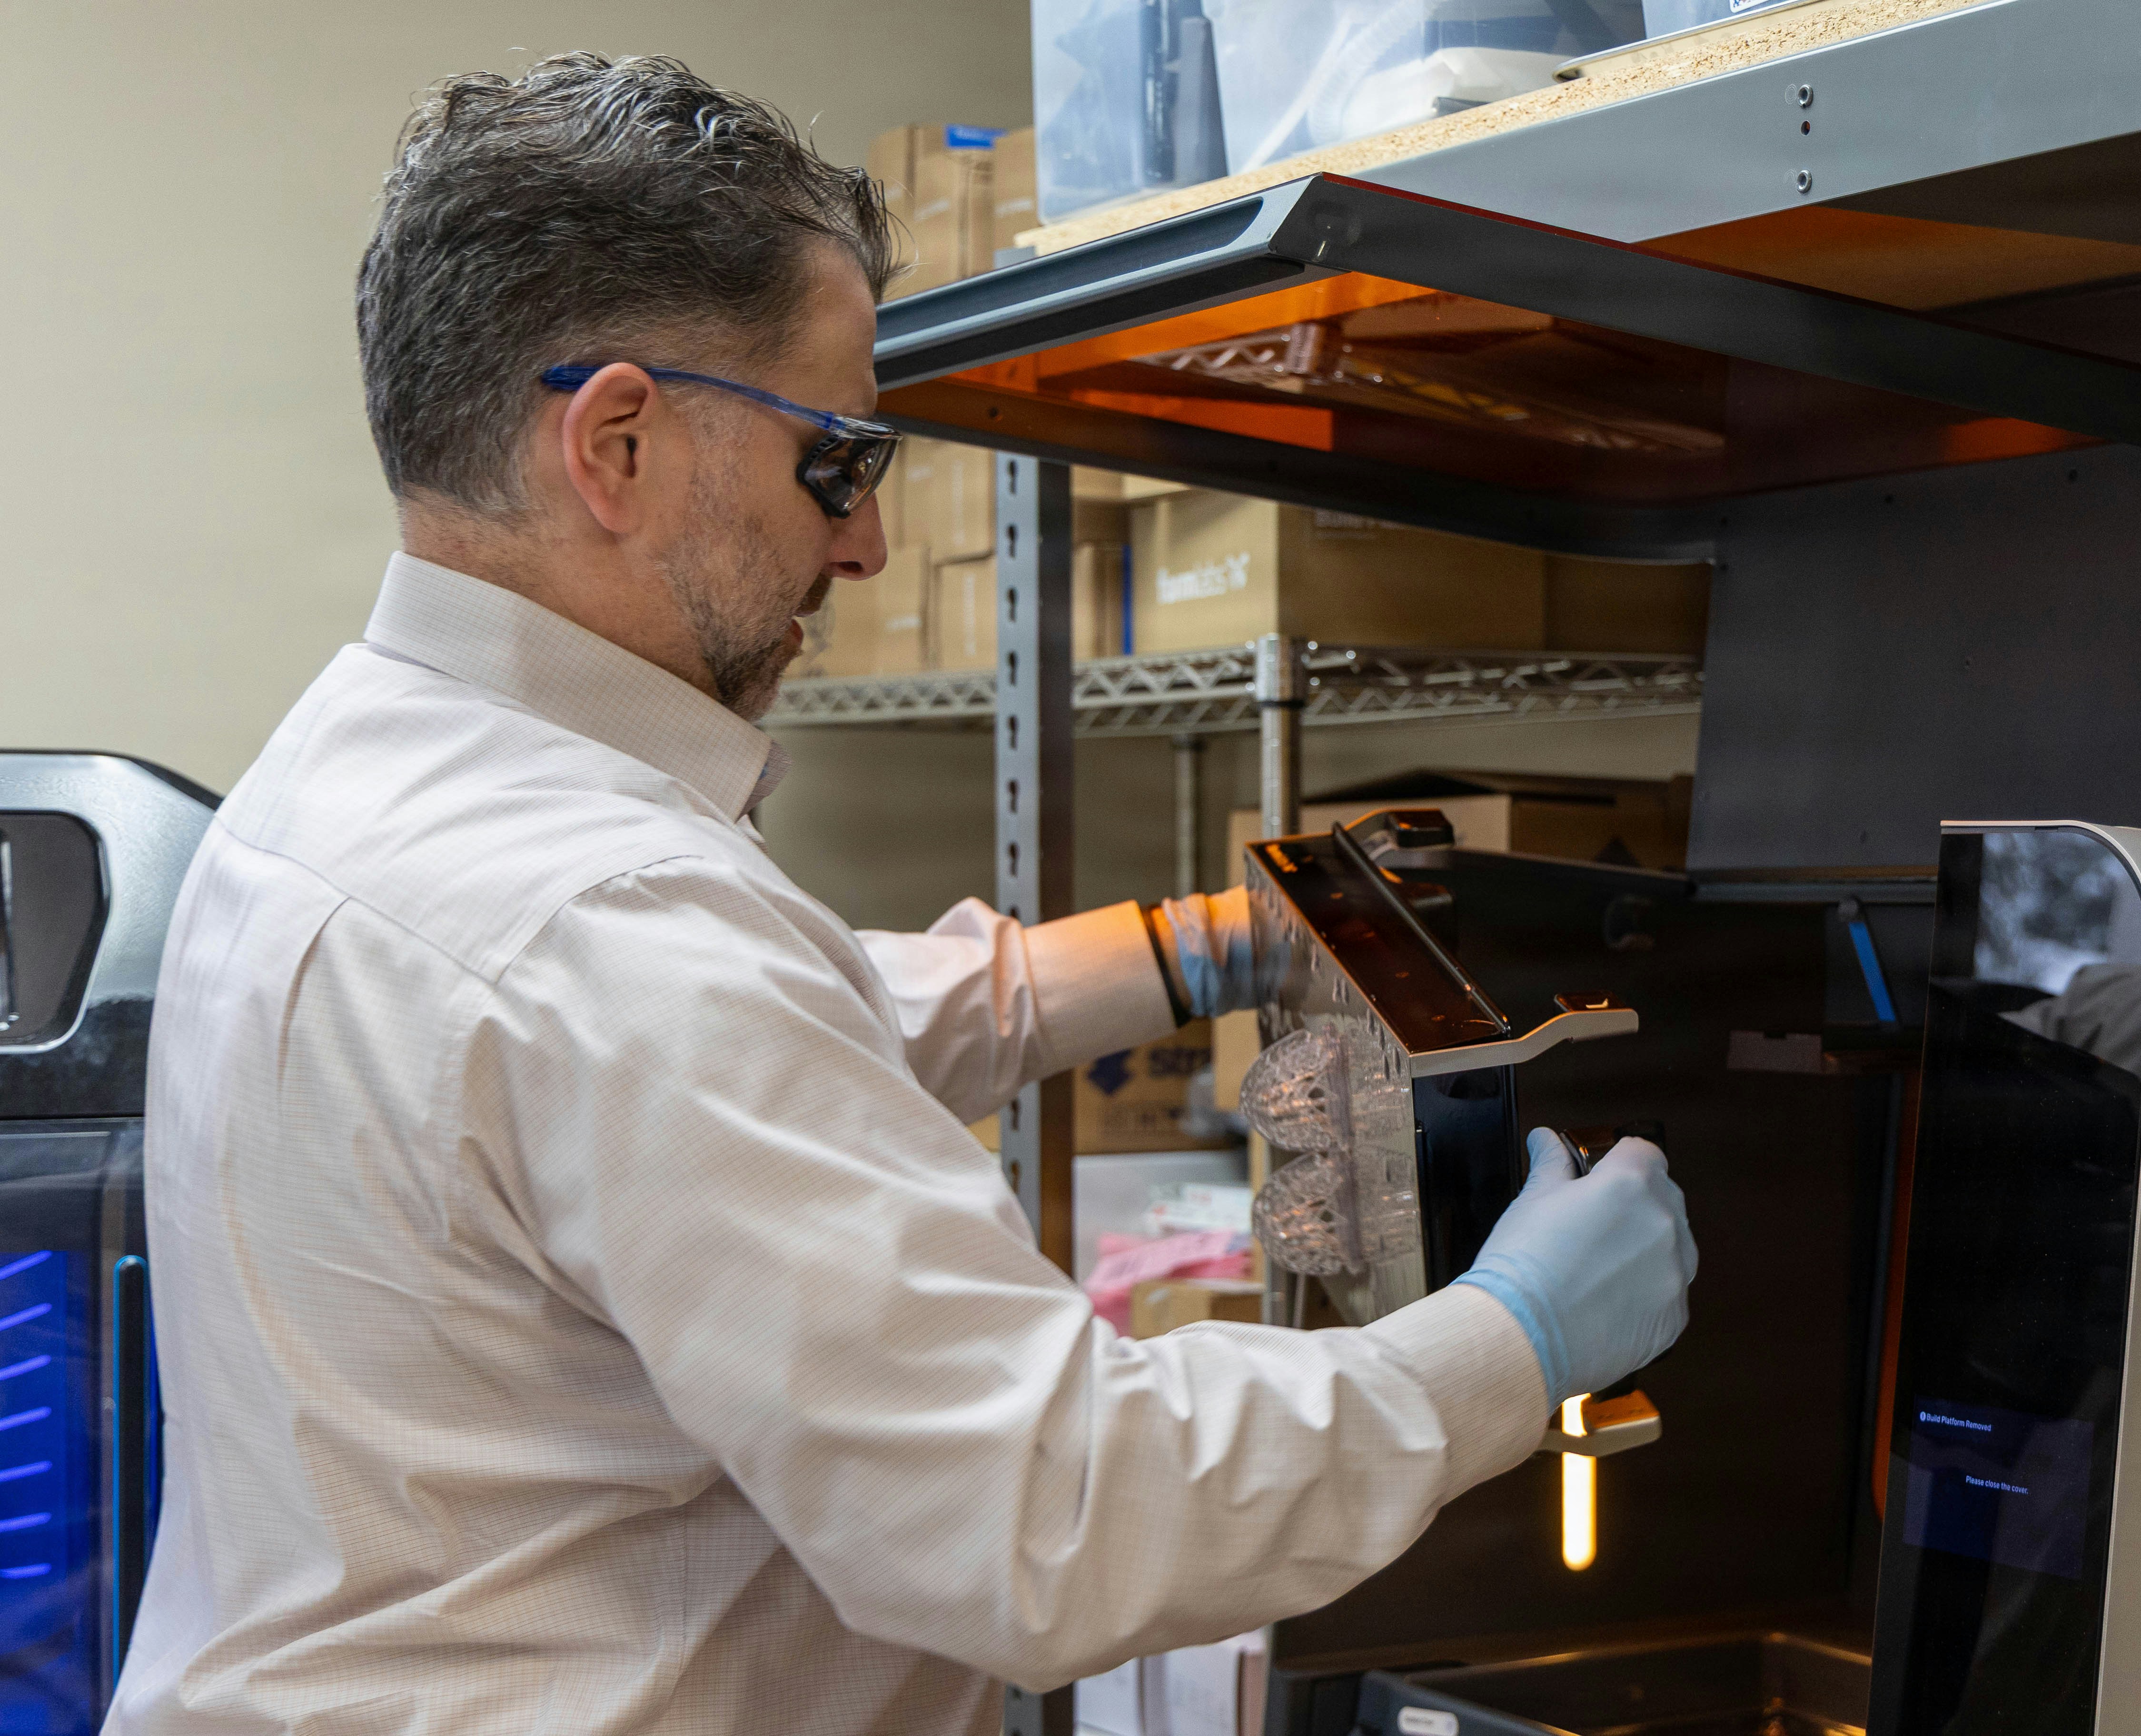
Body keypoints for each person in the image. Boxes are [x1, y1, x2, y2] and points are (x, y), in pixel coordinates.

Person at [113, 53, 1696, 1736]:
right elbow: (1057, 1515)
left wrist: (1203, 945)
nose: (863, 547)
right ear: (619, 444)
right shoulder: (612, 919)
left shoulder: (346, 780)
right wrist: (1511, 1348)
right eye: (838, 461)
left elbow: (711, 1072)